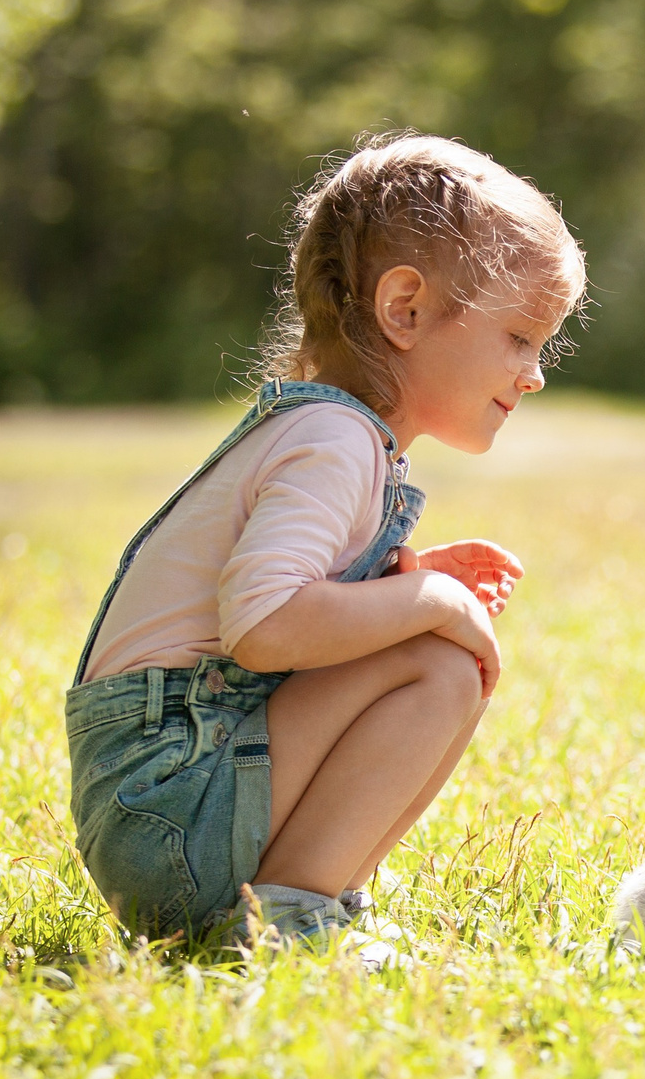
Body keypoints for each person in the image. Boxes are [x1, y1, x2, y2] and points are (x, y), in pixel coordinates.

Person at [63, 132, 583, 960]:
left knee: (439, 655)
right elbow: (266, 623)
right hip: (169, 797)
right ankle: (291, 918)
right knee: (439, 661)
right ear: (404, 309)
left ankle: (316, 907)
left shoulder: (337, 435)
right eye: (520, 336)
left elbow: (280, 616)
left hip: (169, 798)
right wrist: (432, 601)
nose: (534, 372)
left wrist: (404, 580)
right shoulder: (334, 440)